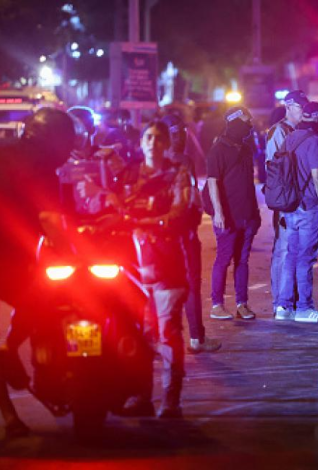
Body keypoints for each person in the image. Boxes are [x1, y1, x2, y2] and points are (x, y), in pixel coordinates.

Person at [0, 108, 77, 438]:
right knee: (46, 308)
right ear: (56, 140)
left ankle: (10, 417)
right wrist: (75, 253)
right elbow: (49, 220)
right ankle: (17, 350)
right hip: (11, 263)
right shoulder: (42, 168)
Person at [121, 121, 190, 418]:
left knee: (168, 333)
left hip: (166, 264)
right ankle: (141, 395)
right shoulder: (129, 174)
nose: (153, 142)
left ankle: (170, 400)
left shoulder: (178, 174)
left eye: (158, 138)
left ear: (166, 143)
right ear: (141, 142)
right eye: (147, 137)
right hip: (132, 267)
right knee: (138, 334)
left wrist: (147, 222)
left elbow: (180, 211)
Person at [162, 114, 221, 354]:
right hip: (182, 233)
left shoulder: (146, 160)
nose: (181, 138)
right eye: (177, 134)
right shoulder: (182, 160)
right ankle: (196, 337)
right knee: (189, 285)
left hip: (158, 236)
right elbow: (190, 198)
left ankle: (162, 338)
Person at [205, 107, 261, 324]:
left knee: (243, 261)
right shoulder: (218, 149)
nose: (250, 124)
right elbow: (212, 182)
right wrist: (218, 212)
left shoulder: (246, 148)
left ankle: (242, 303)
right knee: (223, 259)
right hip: (227, 217)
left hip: (247, 216)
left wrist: (255, 214)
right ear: (236, 121)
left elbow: (249, 183)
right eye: (247, 120)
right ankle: (217, 305)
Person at [277, 102, 318, 323]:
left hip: (290, 206)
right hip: (309, 207)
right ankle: (304, 308)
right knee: (306, 258)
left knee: (291, 256)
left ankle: (283, 306)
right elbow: (317, 176)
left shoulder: (290, 137)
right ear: (317, 118)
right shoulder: (315, 141)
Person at [266, 90, 308, 320]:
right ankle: (279, 302)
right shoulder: (278, 132)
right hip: (284, 199)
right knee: (283, 250)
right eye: (300, 107)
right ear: (289, 107)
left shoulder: (298, 131)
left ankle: (288, 299)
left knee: (294, 250)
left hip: (297, 199)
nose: (303, 111)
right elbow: (274, 169)